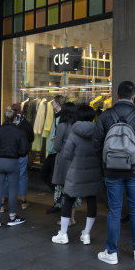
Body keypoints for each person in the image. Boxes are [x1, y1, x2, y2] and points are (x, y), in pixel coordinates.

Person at [92, 81, 135, 265]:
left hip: (111, 170)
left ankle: (111, 252)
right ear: (134, 96)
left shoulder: (105, 115)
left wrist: (106, 161)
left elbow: (96, 144)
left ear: (117, 95)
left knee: (114, 210)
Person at [52, 105, 101, 245]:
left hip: (77, 171)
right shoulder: (98, 132)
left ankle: (63, 234)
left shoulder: (74, 131)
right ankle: (86, 234)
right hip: (93, 171)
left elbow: (66, 155)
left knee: (68, 200)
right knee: (92, 201)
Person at [0, 106, 28, 227]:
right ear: (15, 118)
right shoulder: (20, 132)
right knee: (13, 190)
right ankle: (12, 218)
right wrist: (17, 153)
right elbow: (24, 150)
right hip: (13, 162)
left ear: (4, 118)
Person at [51, 102, 78, 226]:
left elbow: (56, 147)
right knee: (73, 190)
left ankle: (65, 220)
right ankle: (72, 218)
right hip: (75, 159)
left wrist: (56, 140)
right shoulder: (77, 125)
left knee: (63, 191)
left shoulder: (62, 125)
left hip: (63, 160)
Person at [40, 95, 66, 204]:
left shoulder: (62, 117)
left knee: (50, 176)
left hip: (56, 151)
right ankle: (59, 198)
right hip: (53, 150)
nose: (52, 104)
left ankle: (59, 200)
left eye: (54, 102)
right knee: (46, 175)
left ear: (58, 103)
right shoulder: (57, 115)